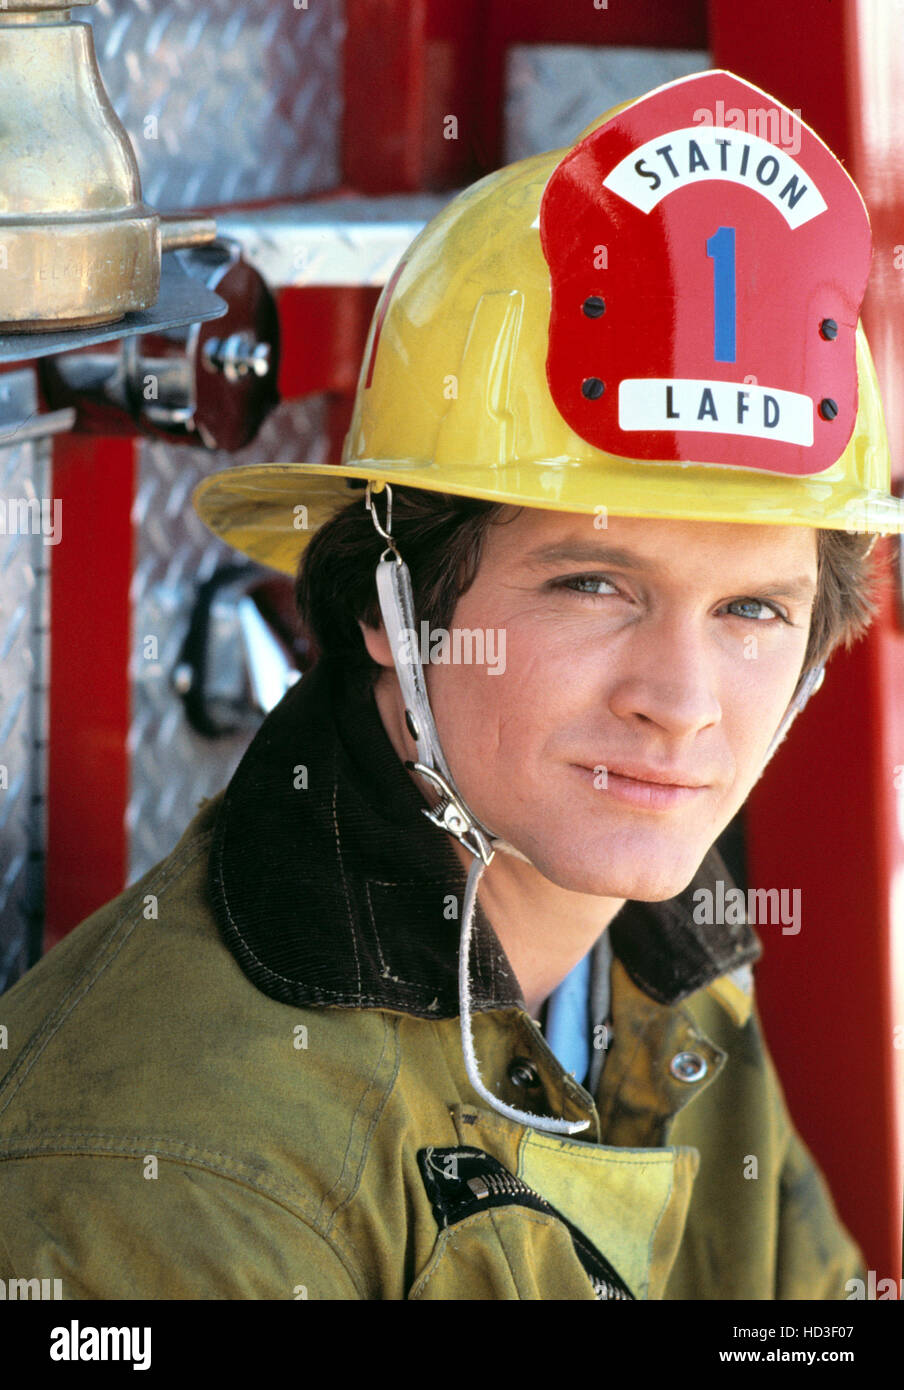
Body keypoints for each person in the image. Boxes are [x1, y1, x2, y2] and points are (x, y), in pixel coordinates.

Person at [1, 68, 901, 1301]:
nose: (681, 700)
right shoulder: (190, 1180)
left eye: (752, 608)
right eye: (593, 583)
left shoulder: (654, 959)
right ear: (393, 605)